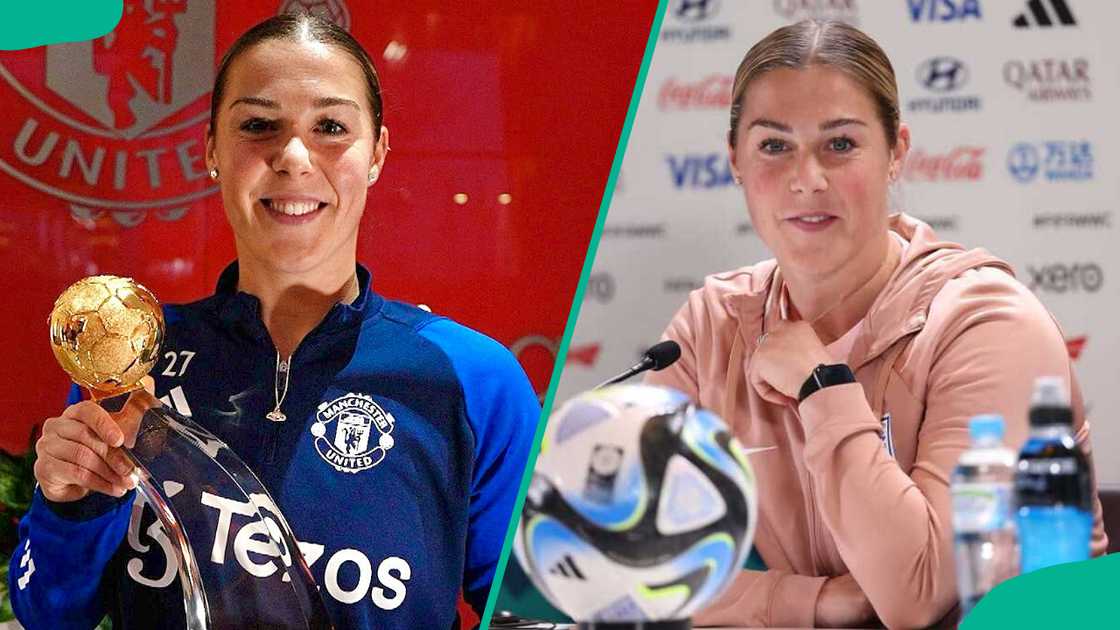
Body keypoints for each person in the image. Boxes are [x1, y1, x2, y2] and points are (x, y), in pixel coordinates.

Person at [10, 13, 540, 630]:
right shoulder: (135, 362)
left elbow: (530, 609)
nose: (293, 156)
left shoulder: (473, 381)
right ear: (212, 149)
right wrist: (72, 505)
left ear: (376, 153)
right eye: (259, 125)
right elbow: (49, 612)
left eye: (331, 127)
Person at [645, 19, 1107, 628]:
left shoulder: (988, 323)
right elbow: (629, 561)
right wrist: (815, 602)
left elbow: (916, 593)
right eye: (774, 146)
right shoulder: (713, 326)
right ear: (734, 159)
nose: (807, 179)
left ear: (896, 153)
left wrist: (820, 385)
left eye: (840, 144)